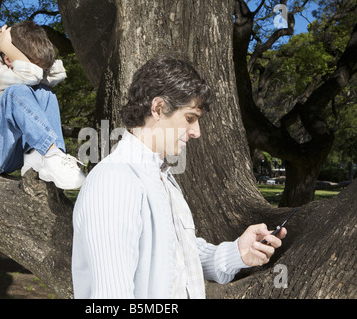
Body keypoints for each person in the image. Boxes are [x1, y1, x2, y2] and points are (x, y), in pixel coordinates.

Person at [71, 55, 287, 299]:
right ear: (158, 108)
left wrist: (238, 252)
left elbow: (179, 257)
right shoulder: (115, 181)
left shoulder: (162, 178)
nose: (196, 132)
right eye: (190, 118)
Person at [0, 21, 85, 190]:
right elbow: (32, 75)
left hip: (11, 156)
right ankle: (52, 155)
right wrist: (9, 48)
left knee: (44, 92)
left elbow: (58, 73)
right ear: (7, 58)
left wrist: (12, 51)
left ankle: (37, 159)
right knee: (16, 92)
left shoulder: (18, 71)